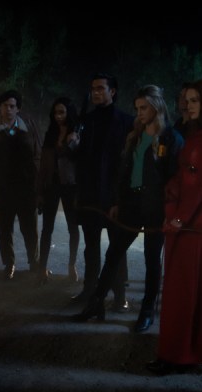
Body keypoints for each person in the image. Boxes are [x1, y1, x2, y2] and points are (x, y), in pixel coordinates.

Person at [72, 85, 183, 334]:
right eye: (137, 108)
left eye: (144, 108)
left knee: (152, 260)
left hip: (155, 207)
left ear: (156, 107)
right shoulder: (136, 134)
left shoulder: (171, 138)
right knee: (113, 253)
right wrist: (116, 202)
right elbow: (123, 171)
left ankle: (146, 311)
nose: (139, 113)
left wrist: (171, 211)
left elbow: (175, 179)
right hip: (131, 203)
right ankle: (96, 303)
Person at [147, 79, 202, 376]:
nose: (189, 105)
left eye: (196, 100)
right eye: (188, 99)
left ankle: (178, 355)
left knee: (184, 290)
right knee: (191, 289)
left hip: (196, 225)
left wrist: (178, 218)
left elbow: (200, 184)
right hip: (197, 221)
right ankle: (186, 353)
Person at [71, 73, 134, 307]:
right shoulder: (86, 120)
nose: (95, 92)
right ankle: (90, 290)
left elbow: (128, 160)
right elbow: (79, 159)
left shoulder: (126, 121)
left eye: (100, 88)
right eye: (93, 89)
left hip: (114, 194)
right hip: (90, 194)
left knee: (116, 247)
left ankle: (119, 294)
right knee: (91, 247)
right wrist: (74, 145)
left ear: (112, 92)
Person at [0, 90, 41, 279]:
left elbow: (37, 155)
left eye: (12, 106)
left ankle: (34, 262)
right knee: (5, 230)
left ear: (18, 108)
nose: (8, 109)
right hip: (2, 190)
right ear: (0, 107)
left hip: (26, 189)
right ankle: (9, 264)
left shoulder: (28, 127)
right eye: (5, 105)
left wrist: (38, 185)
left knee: (30, 229)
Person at [37, 97, 81, 285]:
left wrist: (73, 142)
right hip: (51, 184)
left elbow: (79, 160)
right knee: (47, 228)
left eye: (62, 112)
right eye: (55, 112)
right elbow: (44, 164)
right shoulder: (51, 134)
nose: (58, 116)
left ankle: (72, 265)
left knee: (73, 227)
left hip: (70, 185)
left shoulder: (77, 133)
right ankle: (42, 267)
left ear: (69, 113)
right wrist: (40, 191)